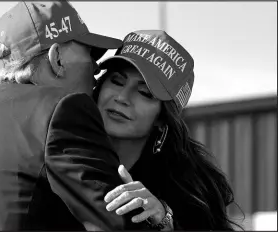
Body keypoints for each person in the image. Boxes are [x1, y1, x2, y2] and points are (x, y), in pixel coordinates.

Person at [0, 2, 150, 230]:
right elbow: (119, 225)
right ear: (58, 60)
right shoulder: (63, 110)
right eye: (89, 54)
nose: (96, 68)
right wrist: (164, 220)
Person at [89, 30, 243, 230]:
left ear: (162, 118)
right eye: (117, 81)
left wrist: (164, 220)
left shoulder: (190, 191)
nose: (122, 97)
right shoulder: (57, 149)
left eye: (145, 93)